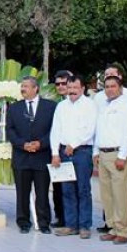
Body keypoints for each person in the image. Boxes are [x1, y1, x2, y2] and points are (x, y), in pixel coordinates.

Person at [50, 72, 98, 239]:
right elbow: (55, 130)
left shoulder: (90, 105)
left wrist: (74, 144)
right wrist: (55, 153)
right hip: (64, 153)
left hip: (82, 152)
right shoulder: (61, 106)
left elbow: (90, 129)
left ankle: (84, 226)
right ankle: (71, 225)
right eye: (69, 87)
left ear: (82, 88)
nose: (71, 90)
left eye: (75, 87)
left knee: (83, 189)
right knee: (67, 190)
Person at [7, 76, 56, 234]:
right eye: (22, 86)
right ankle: (23, 222)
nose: (23, 89)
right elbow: (10, 131)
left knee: (42, 192)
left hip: (42, 156)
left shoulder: (50, 107)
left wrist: (41, 144)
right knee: (22, 192)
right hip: (21, 157)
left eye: (26, 86)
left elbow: (54, 130)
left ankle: (43, 223)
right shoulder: (14, 108)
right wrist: (23, 144)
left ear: (36, 88)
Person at [94, 75, 127, 244]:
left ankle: (123, 230)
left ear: (120, 88)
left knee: (120, 194)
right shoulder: (103, 105)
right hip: (103, 153)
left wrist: (122, 156)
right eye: (107, 87)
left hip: (118, 154)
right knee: (107, 195)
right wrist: (96, 152)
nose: (110, 89)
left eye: (113, 86)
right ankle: (112, 227)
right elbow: (99, 130)